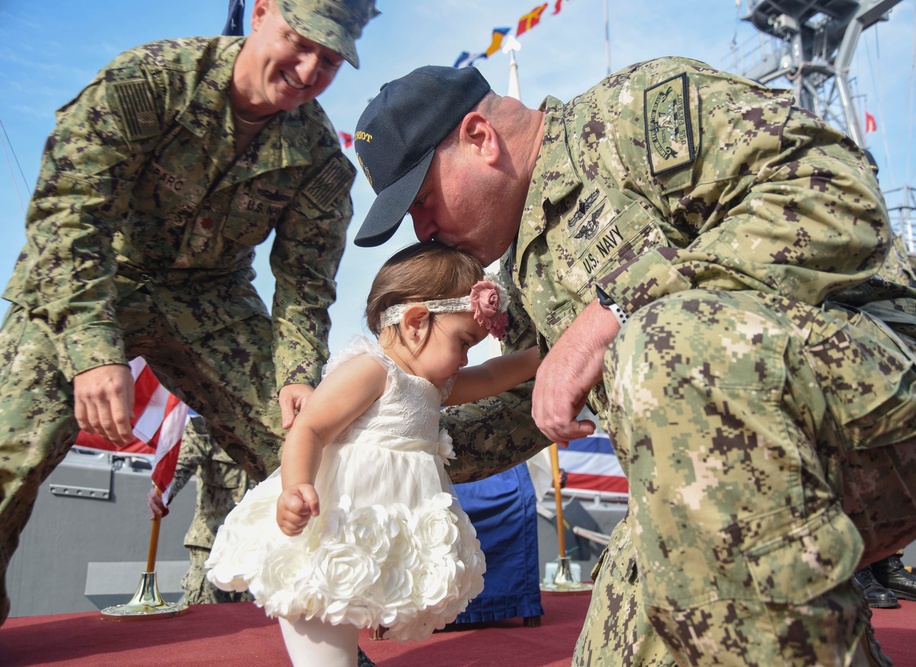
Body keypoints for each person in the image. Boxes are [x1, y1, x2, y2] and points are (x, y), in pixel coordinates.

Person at [350, 61, 916, 666]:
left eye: (422, 200)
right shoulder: (523, 271)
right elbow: (543, 408)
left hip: (890, 410)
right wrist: (393, 444)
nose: (421, 230)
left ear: (479, 137)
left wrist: (614, 305)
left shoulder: (627, 117)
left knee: (659, 334)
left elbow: (837, 191)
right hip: (720, 470)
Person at [0, 0, 380, 627]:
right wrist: (95, 350)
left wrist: (296, 376)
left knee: (312, 444)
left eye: (331, 59)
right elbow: (68, 218)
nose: (309, 69)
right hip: (95, 279)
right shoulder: (147, 82)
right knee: (13, 443)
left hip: (212, 298)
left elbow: (305, 287)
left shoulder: (319, 160)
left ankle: (325, 629)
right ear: (260, 13)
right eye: (297, 40)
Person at [205, 242, 541, 667]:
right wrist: (295, 487)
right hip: (329, 533)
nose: (465, 357)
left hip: (371, 537)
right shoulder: (373, 370)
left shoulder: (432, 384)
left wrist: (546, 354)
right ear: (417, 322)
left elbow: (493, 375)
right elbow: (310, 427)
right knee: (323, 640)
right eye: (462, 342)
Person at [146, 413, 255, 605]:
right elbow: (180, 465)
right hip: (210, 545)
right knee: (205, 617)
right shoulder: (206, 425)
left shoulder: (271, 430)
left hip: (256, 548)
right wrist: (164, 491)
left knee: (254, 624)